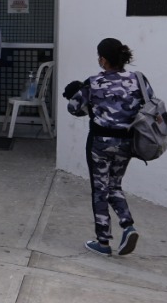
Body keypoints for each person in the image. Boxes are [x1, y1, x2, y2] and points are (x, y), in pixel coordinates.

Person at [62, 38, 148, 257]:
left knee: (100, 189)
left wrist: (83, 98)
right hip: (126, 142)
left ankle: (103, 242)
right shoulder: (138, 79)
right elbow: (148, 105)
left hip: (100, 143)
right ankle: (127, 225)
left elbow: (73, 108)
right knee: (115, 185)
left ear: (103, 59)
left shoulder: (94, 82)